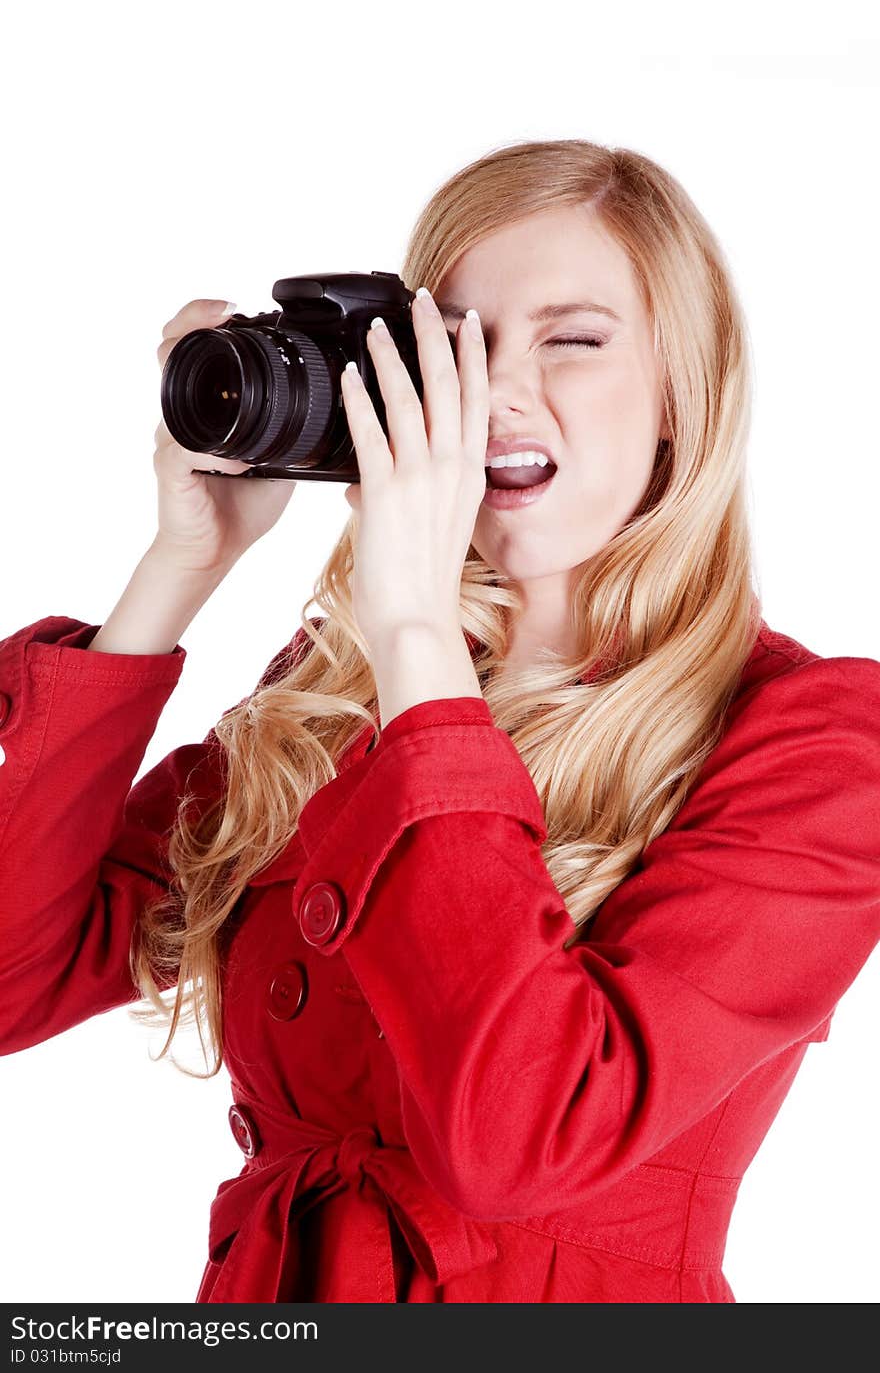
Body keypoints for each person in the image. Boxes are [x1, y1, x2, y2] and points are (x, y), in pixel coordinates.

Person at [1, 137, 878, 1305]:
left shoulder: (816, 741)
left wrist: (414, 631)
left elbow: (519, 1138)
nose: (496, 392)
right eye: (453, 345)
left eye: (572, 339)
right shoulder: (335, 696)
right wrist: (180, 566)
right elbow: (16, 976)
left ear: (683, 394)